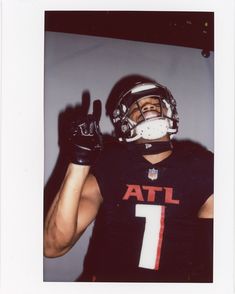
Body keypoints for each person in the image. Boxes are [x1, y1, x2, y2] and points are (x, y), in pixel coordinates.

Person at [44, 75, 213, 283]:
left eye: (154, 102)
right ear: (123, 122)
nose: (148, 107)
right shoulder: (109, 164)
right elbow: (53, 246)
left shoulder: (203, 166)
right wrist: (79, 161)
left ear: (171, 110)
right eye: (138, 106)